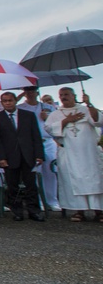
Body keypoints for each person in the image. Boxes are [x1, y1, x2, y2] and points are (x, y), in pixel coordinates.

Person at [45, 87, 102, 222]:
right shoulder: (55, 114)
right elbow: (49, 129)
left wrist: (88, 103)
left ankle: (99, 211)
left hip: (89, 153)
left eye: (66, 94)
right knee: (72, 182)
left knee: (94, 181)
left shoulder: (85, 109)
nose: (63, 97)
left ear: (74, 96)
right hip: (69, 153)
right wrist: (66, 121)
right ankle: (79, 211)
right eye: (61, 95)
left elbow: (99, 121)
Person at [0, 91, 45, 222]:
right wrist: (1, 158)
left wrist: (39, 155)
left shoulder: (28, 116)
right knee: (12, 186)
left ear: (15, 101)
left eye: (10, 100)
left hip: (28, 155)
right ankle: (17, 211)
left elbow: (36, 136)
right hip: (9, 157)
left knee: (31, 185)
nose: (8, 103)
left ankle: (34, 211)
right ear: (2, 103)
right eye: (5, 101)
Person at [18, 86, 60, 210]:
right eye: (28, 91)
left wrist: (47, 119)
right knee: (36, 172)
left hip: (47, 141)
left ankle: (52, 200)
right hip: (31, 143)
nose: (30, 93)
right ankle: (39, 201)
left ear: (37, 92)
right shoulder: (20, 108)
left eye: (33, 91)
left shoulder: (49, 108)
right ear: (24, 93)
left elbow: (57, 126)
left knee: (51, 171)